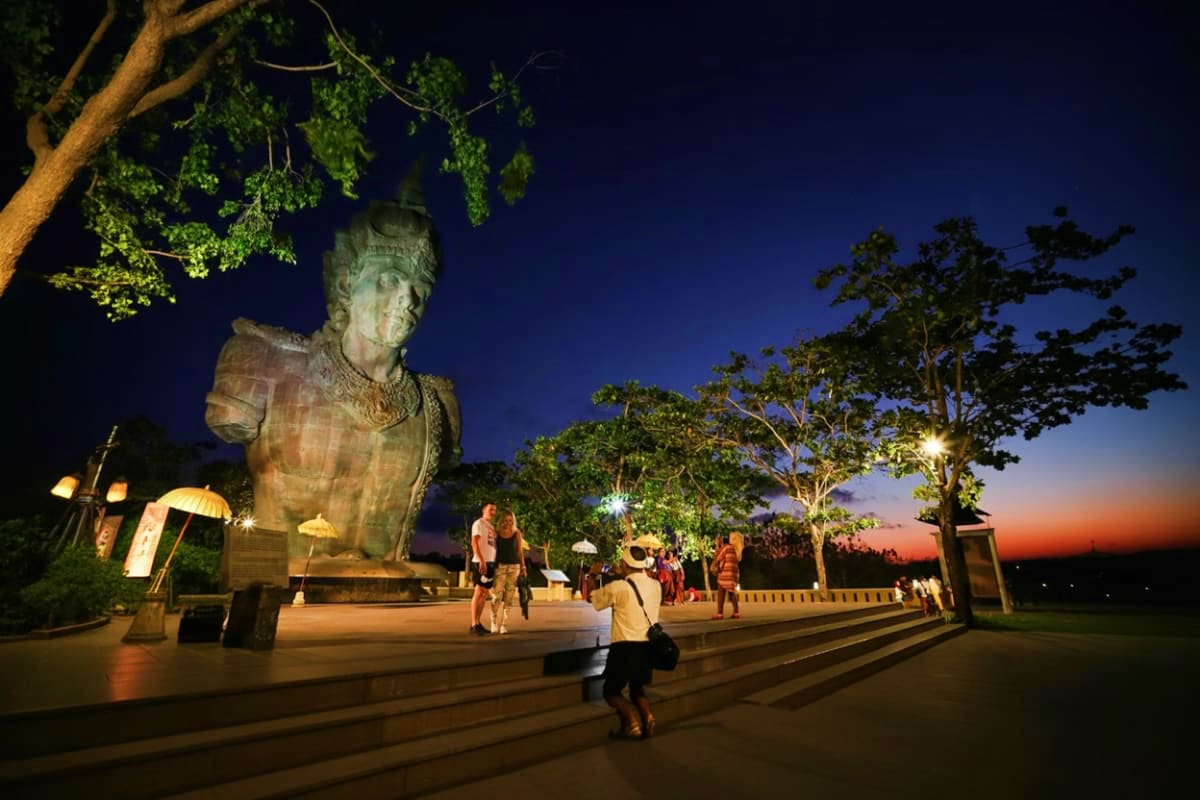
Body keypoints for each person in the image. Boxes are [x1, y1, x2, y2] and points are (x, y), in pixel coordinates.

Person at [205, 166, 462, 574]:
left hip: (401, 602)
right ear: (345, 285)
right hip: (283, 589)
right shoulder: (264, 361)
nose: (407, 300)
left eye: (421, 290)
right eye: (388, 281)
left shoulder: (433, 403)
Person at [588, 543, 662, 739]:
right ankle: (648, 715)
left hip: (624, 647)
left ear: (624, 563)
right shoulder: (656, 586)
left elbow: (593, 599)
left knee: (610, 691)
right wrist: (623, 573)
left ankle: (632, 722)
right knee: (637, 688)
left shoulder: (618, 587)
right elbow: (634, 587)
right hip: (647, 647)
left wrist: (592, 575)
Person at [489, 510, 527, 633]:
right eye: (506, 520)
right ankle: (493, 622)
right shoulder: (497, 534)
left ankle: (504, 624)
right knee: (497, 596)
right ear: (502, 521)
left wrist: (523, 567)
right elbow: (492, 550)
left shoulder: (517, 533)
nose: (508, 523)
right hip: (500, 567)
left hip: (514, 567)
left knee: (509, 598)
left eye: (510, 520)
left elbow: (520, 552)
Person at [469, 502, 497, 635]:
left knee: (485, 593)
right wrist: (481, 560)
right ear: (484, 510)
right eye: (491, 509)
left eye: (494, 510)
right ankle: (474, 624)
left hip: (491, 562)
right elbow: (474, 542)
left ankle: (478, 623)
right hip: (481, 562)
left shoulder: (491, 526)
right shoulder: (478, 523)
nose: (493, 512)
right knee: (479, 591)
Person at [711, 533, 742, 619]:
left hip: (725, 573)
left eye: (731, 537)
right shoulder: (736, 550)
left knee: (721, 594)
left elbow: (718, 556)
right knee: (732, 593)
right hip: (733, 574)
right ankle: (736, 612)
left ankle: (720, 613)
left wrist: (717, 544)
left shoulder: (727, 547)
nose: (728, 537)